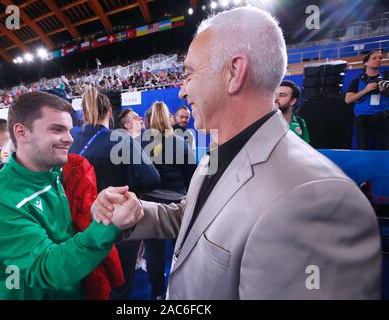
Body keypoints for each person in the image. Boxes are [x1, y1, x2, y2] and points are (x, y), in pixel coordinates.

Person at [93, 6, 381, 299]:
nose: (181, 91)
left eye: (189, 74)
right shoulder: (218, 153)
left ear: (233, 73)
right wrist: (135, 213)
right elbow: (195, 216)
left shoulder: (320, 201)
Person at [0, 92, 143, 300]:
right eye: (57, 129)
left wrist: (99, 207)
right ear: (22, 132)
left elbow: (64, 235)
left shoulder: (55, 172)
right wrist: (108, 224)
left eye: (69, 130)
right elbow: (44, 269)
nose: (70, 138)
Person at [69, 86, 160, 300]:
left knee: (90, 283)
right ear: (110, 111)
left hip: (79, 224)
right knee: (121, 285)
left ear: (83, 111)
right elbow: (151, 177)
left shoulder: (71, 139)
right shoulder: (120, 138)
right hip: (117, 222)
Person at [141, 101, 196, 299]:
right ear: (169, 118)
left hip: (150, 204)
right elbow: (192, 173)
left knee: (153, 252)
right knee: (179, 251)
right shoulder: (179, 141)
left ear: (147, 120)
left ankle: (157, 293)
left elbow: (134, 175)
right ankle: (179, 292)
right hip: (177, 203)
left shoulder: (139, 142)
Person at [345, 50, 389, 150]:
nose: (378, 60)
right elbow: (348, 100)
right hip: (363, 120)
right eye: (374, 58)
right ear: (366, 63)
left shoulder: (386, 78)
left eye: (380, 58)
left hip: (383, 118)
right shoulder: (356, 80)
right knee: (363, 148)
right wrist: (366, 90)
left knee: (385, 149)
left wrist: (385, 91)